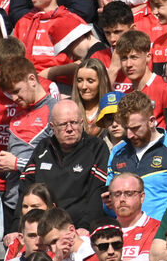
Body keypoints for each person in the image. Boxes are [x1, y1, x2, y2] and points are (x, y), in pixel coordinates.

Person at [107, 92, 167, 221]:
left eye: (135, 128)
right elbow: (109, 208)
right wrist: (108, 205)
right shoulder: (117, 153)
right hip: (126, 234)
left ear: (151, 121)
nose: (129, 135)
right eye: (126, 128)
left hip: (162, 233)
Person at [21, 99, 108, 231]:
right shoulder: (43, 147)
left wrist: (85, 227)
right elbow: (25, 189)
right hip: (42, 228)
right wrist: (15, 228)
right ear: (52, 127)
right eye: (63, 124)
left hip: (79, 228)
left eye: (74, 123)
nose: (69, 129)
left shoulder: (96, 147)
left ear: (82, 123)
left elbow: (97, 193)